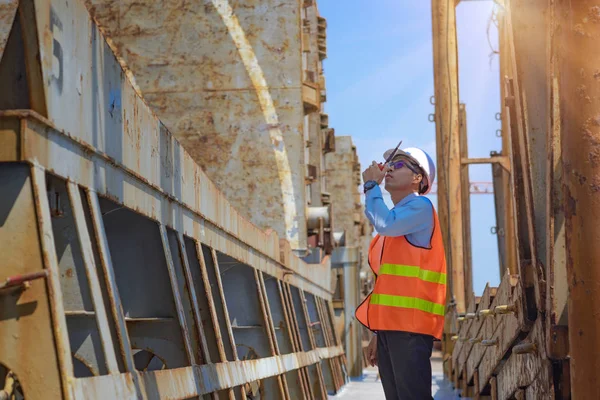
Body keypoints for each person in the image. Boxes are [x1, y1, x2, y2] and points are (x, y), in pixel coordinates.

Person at [355, 146, 447, 400]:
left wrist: (372, 186)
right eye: (389, 165)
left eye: (398, 165)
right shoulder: (398, 220)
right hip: (393, 329)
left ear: (418, 178)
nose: (390, 169)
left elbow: (384, 223)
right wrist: (378, 334)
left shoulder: (421, 208)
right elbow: (389, 286)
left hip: (411, 328)